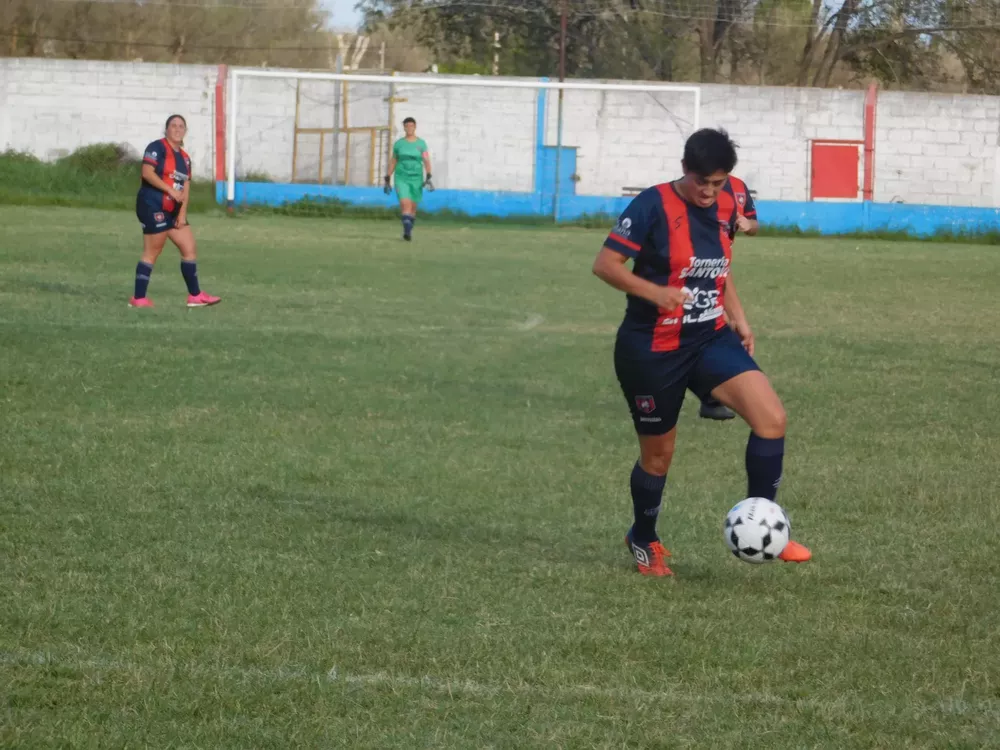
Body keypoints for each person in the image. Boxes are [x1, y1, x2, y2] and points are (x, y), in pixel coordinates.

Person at [591, 127, 810, 577]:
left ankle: (763, 525)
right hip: (652, 349)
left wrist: (739, 316)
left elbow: (723, 259)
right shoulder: (652, 204)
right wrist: (656, 292)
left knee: (772, 420)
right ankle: (644, 539)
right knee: (658, 456)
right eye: (702, 183)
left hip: (709, 336)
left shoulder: (734, 194)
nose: (710, 192)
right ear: (684, 170)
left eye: (718, 182)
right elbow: (605, 265)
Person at [129, 114, 221, 308]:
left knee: (189, 247)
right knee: (153, 250)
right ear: (167, 129)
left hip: (173, 209)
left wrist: (182, 213)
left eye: (181, 126)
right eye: (173, 125)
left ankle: (195, 296)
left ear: (185, 131)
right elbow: (147, 173)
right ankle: (138, 299)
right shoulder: (157, 147)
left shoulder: (185, 159)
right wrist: (169, 190)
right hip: (151, 204)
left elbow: (185, 187)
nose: (177, 129)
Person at [697, 174, 759, 421]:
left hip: (721, 269)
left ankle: (712, 398)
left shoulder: (739, 188)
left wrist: (747, 224)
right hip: (696, 266)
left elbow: (755, 225)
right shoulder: (694, 186)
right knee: (712, 327)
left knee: (720, 327)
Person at [384, 117, 434, 241]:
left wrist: (428, 174)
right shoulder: (399, 144)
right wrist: (388, 176)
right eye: (407, 126)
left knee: (412, 207)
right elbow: (393, 160)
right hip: (402, 177)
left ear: (415, 127)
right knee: (405, 204)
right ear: (404, 128)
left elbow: (426, 160)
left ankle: (408, 230)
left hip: (417, 178)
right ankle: (406, 233)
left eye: (412, 126)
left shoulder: (421, 144)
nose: (409, 128)